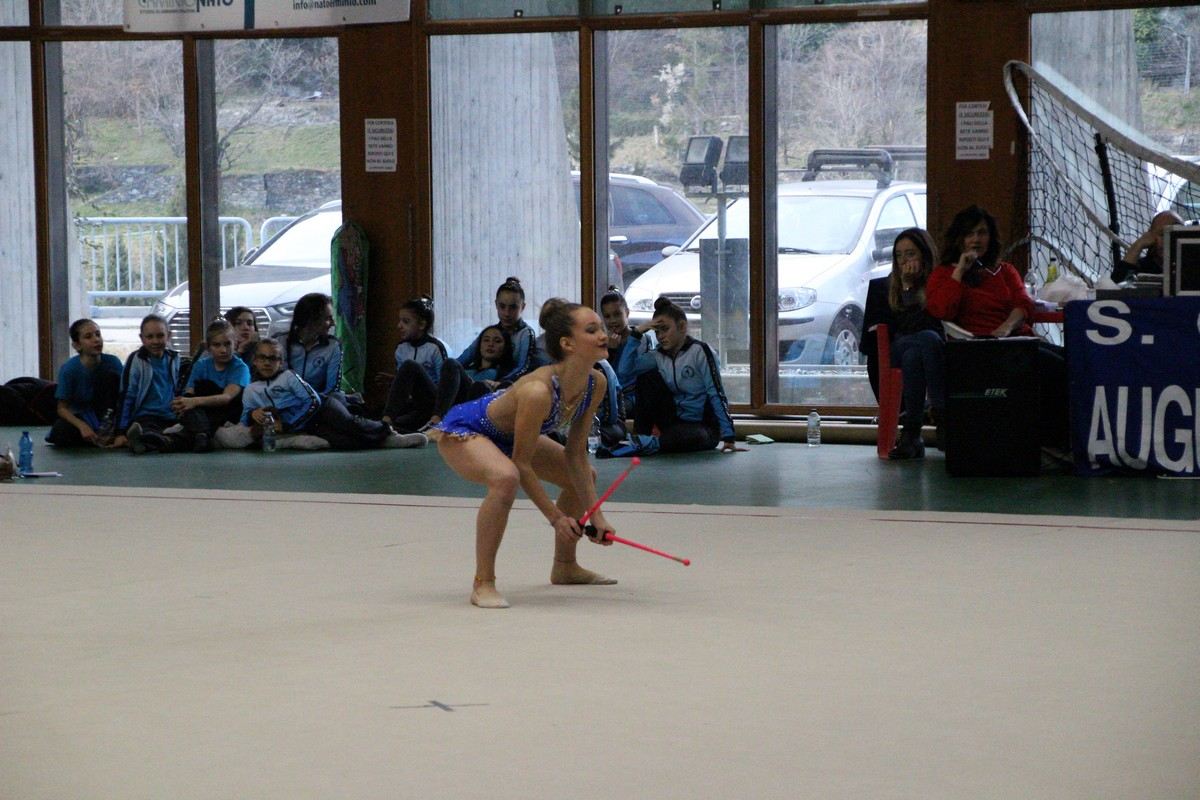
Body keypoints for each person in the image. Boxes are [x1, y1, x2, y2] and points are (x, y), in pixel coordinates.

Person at [431, 298, 617, 609]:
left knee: (584, 476)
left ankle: (565, 566)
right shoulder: (537, 390)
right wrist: (556, 518)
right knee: (506, 478)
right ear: (568, 344)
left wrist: (596, 516)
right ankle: (483, 582)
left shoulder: (595, 382)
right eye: (592, 329)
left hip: (507, 435)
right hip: (467, 430)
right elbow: (521, 463)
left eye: (601, 328)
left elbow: (576, 456)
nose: (603, 335)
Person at [925, 205, 1069, 452]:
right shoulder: (944, 274)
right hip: (978, 349)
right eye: (969, 234)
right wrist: (960, 270)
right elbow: (942, 310)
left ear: (990, 237)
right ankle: (1052, 443)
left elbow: (1024, 304)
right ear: (959, 239)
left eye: (982, 233)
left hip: (1014, 340)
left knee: (1071, 361)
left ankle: (1064, 441)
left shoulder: (1005, 271)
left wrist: (1006, 327)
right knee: (1053, 368)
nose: (976, 239)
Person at [600, 296, 741, 457]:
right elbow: (625, 372)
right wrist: (637, 332)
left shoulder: (700, 351)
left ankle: (641, 443)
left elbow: (716, 393)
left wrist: (729, 435)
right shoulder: (658, 356)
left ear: (682, 327)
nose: (660, 336)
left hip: (702, 426)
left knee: (692, 436)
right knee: (646, 378)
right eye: (657, 331)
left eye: (665, 329)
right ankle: (641, 438)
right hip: (673, 422)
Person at [234, 338, 426, 451]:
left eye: (273, 358)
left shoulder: (288, 377)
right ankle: (383, 442)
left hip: (323, 408)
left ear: (281, 362)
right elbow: (244, 418)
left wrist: (287, 423)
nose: (267, 363)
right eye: (263, 358)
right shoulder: (251, 390)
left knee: (349, 423)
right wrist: (252, 415)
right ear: (255, 361)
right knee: (343, 443)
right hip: (309, 426)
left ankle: (388, 431)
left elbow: (312, 401)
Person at [861, 228, 945, 460]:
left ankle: (911, 436)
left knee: (915, 355)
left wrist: (917, 290)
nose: (904, 261)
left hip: (924, 352)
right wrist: (907, 287)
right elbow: (907, 328)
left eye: (910, 254)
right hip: (895, 348)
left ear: (924, 255)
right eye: (899, 255)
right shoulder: (885, 287)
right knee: (924, 340)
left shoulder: (937, 285)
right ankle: (942, 414)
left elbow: (932, 324)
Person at [166, 318, 251, 453]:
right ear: (209, 347)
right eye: (217, 345)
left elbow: (227, 397)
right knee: (187, 405)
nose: (223, 350)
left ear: (235, 343)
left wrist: (194, 401)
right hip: (201, 411)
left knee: (204, 394)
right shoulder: (200, 365)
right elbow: (189, 393)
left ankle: (182, 437)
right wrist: (182, 403)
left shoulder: (240, 368)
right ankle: (201, 435)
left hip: (226, 412)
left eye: (227, 344)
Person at [45, 318, 124, 448]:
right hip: (83, 417)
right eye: (88, 337)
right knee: (61, 431)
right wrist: (82, 426)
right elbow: (62, 408)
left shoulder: (113, 363)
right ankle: (95, 437)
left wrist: (121, 428)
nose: (96, 339)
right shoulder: (69, 369)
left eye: (98, 334)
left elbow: (123, 397)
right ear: (77, 345)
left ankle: (109, 434)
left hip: (109, 417)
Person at [377, 296, 449, 433]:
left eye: (406, 322)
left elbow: (445, 385)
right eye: (400, 321)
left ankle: (386, 422)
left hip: (433, 402)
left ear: (421, 325)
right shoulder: (401, 348)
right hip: (414, 404)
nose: (399, 326)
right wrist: (394, 381)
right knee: (396, 421)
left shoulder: (434, 348)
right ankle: (386, 423)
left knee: (410, 366)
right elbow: (404, 386)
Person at [456, 277, 547, 385]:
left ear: (522, 307)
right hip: (481, 380)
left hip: (507, 387)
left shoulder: (525, 334)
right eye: (502, 306)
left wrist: (499, 382)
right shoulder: (491, 332)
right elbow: (465, 357)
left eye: (513, 307)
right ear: (496, 304)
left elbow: (523, 368)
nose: (507, 313)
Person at [598, 285, 657, 441]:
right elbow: (602, 375)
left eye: (617, 314)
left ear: (627, 313)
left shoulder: (641, 339)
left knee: (610, 411)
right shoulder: (602, 341)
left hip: (633, 397)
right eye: (607, 316)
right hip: (610, 397)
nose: (613, 321)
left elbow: (628, 373)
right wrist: (609, 351)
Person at [118, 314, 183, 454]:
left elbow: (178, 388)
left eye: (160, 336)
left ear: (168, 336)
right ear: (142, 338)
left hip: (170, 416)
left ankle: (152, 442)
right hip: (146, 416)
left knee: (188, 430)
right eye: (150, 337)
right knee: (146, 429)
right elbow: (127, 396)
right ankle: (156, 440)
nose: (155, 341)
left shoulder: (175, 359)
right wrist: (121, 431)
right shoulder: (136, 361)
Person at [433, 323, 514, 423]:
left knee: (477, 385)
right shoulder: (465, 369)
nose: (491, 344)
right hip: (447, 402)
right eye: (486, 340)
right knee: (412, 366)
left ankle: (438, 420)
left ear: (505, 348)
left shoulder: (504, 375)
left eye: (497, 341)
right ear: (479, 345)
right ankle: (433, 417)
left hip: (473, 410)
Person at [281, 293, 344, 399]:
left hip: (320, 403)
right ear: (311, 320)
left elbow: (332, 389)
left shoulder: (332, 346)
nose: (333, 323)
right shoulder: (281, 342)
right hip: (286, 402)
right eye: (328, 318)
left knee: (338, 398)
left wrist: (313, 402)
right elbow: (278, 383)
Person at [1112, 210, 1184, 284]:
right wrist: (1138, 245)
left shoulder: (1190, 266)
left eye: (1174, 235)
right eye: (1163, 234)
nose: (1168, 240)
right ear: (1150, 236)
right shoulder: (1141, 268)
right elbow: (1117, 288)